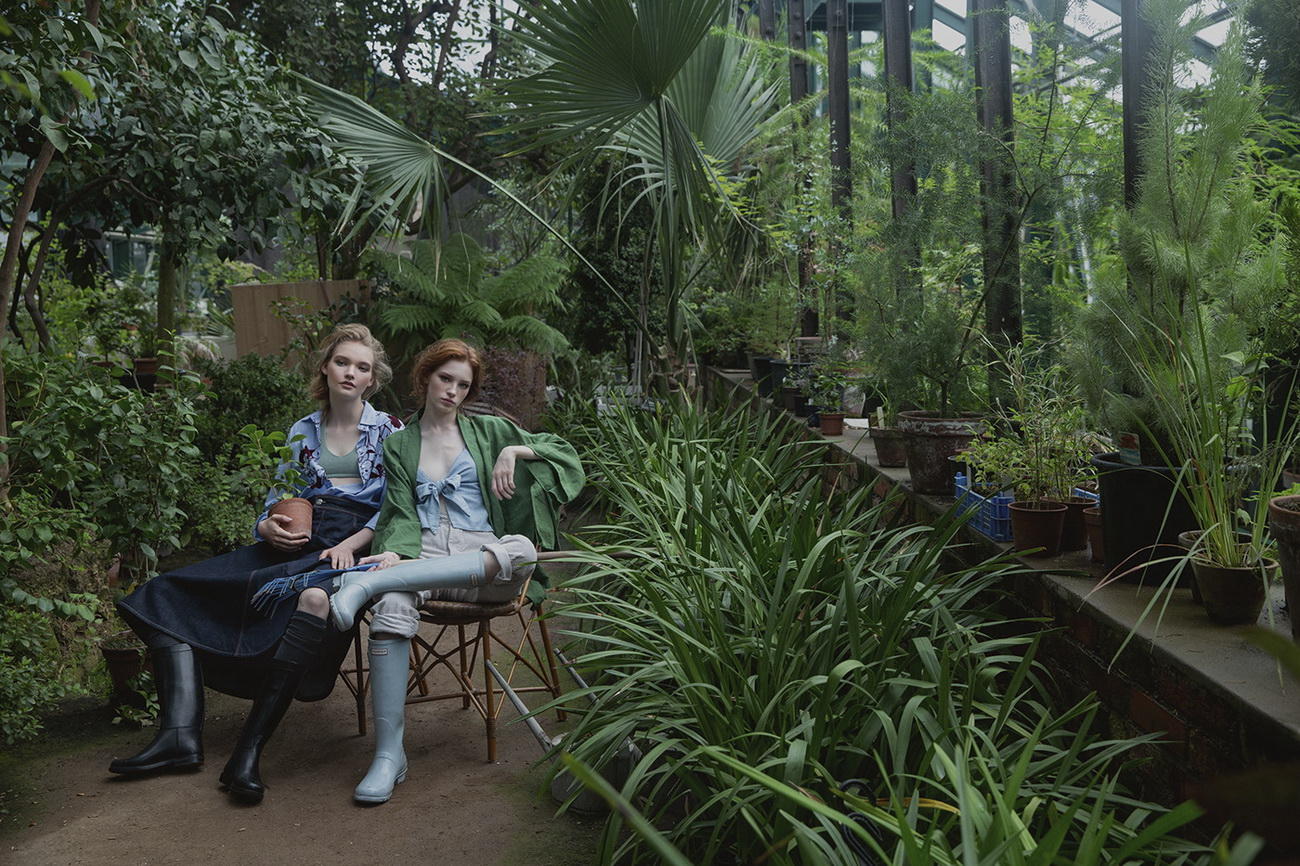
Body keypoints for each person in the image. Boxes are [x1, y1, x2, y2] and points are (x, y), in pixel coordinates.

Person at [110, 324, 403, 805]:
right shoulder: (302, 430)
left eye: (362, 367)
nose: (351, 372)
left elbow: (394, 507)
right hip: (293, 542)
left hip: (348, 547)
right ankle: (178, 735)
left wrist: (351, 546)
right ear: (325, 368)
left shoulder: (390, 431)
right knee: (165, 593)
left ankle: (246, 754)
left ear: (372, 379)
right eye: (342, 362)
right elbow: (278, 499)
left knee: (308, 602)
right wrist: (266, 527)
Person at [328, 338, 584, 804]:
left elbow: (566, 456)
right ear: (425, 376)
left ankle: (368, 583)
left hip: (485, 562)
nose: (452, 391)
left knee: (521, 550)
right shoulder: (399, 444)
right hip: (425, 558)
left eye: (463, 385)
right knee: (393, 604)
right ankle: (388, 756)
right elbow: (399, 512)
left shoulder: (490, 431)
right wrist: (394, 553)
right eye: (445, 378)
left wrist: (514, 452)